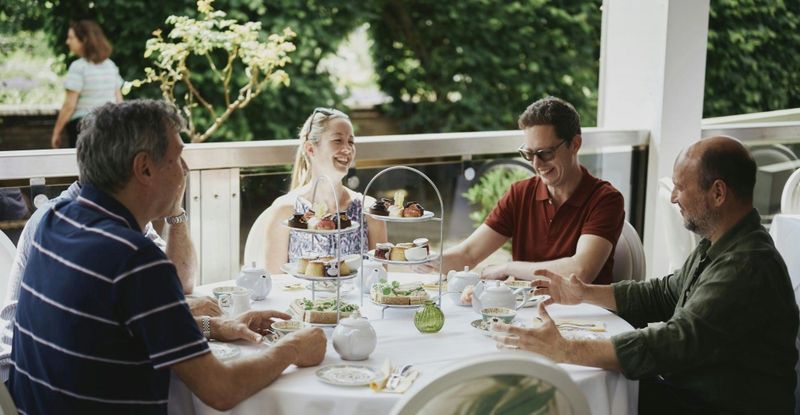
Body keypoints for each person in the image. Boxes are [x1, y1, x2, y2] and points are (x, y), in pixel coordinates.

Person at [8, 100, 326, 413]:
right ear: (144, 167)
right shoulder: (134, 258)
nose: (185, 170)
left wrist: (208, 327)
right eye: (178, 157)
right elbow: (221, 389)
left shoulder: (54, 220)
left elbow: (109, 328)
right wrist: (294, 346)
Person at [494, 136, 799, 413]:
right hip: (694, 391)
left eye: (681, 187)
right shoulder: (719, 241)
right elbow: (664, 293)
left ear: (718, 193)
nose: (673, 197)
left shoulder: (746, 266)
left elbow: (673, 343)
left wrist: (565, 348)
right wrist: (584, 293)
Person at [0, 177, 218, 381]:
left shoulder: (122, 217)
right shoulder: (60, 225)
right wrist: (198, 321)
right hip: (23, 379)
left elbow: (178, 282)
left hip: (57, 376)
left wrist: (175, 211)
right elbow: (221, 389)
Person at [419, 96, 624, 284]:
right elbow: (469, 254)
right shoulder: (521, 193)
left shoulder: (605, 200)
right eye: (529, 153)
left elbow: (580, 271)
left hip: (586, 318)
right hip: (527, 312)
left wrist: (510, 268)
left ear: (575, 144)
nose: (536, 164)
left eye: (545, 153)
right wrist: (426, 261)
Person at [261, 107, 387, 274]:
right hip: (300, 301)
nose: (348, 149)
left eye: (351, 141)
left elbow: (379, 280)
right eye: (337, 140)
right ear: (310, 148)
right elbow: (275, 284)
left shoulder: (369, 211)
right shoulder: (285, 211)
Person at [51, 20, 123, 148]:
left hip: (84, 127)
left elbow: (69, 105)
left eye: (71, 38)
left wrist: (56, 132)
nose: (68, 42)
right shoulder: (111, 66)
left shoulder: (79, 67)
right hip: (110, 126)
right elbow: (119, 102)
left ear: (84, 39)